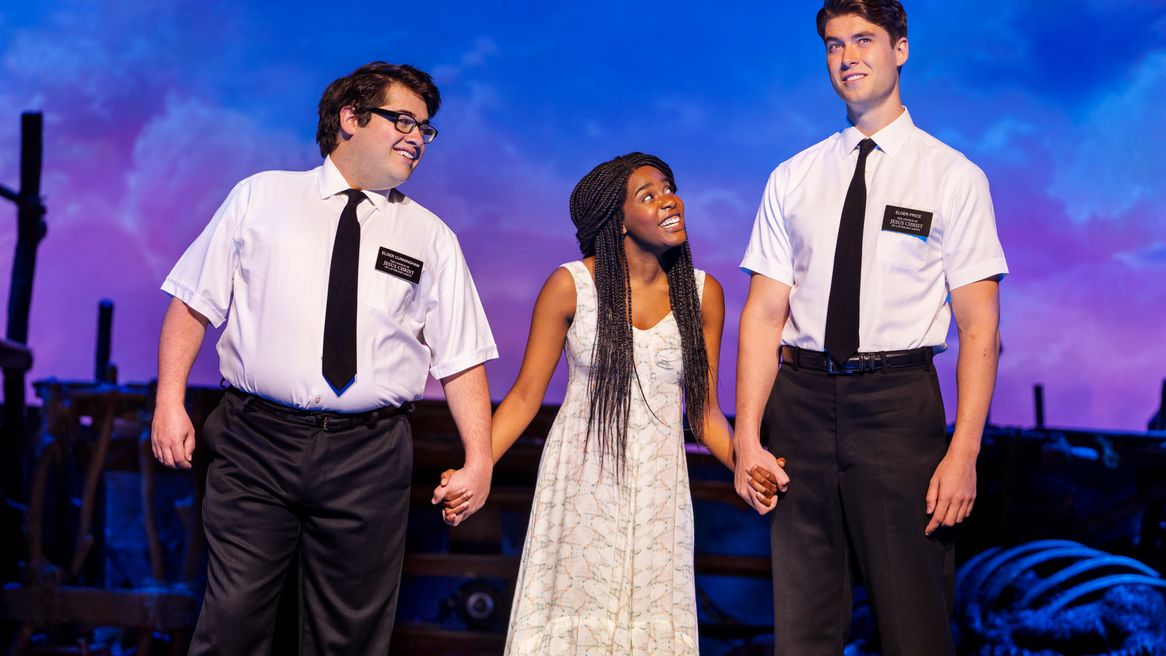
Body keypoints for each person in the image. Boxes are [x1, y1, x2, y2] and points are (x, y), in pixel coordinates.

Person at [150, 61, 498, 655]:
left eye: (426, 129)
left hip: (369, 453)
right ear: (350, 118)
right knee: (233, 620)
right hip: (256, 442)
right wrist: (168, 401)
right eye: (404, 120)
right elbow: (192, 303)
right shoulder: (261, 196)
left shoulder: (430, 237)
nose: (418, 138)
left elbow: (462, 358)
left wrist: (481, 459)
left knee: (351, 635)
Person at [733, 1, 1008, 654]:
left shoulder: (954, 177)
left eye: (863, 40)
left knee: (915, 626)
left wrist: (963, 453)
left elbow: (980, 327)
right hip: (798, 406)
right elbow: (764, 313)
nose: (848, 56)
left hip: (896, 406)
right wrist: (747, 436)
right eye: (833, 45)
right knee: (802, 629)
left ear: (901, 49)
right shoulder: (792, 177)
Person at [440, 153, 786, 654]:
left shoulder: (702, 293)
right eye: (648, 195)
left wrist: (746, 462)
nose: (669, 199)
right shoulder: (569, 287)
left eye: (668, 187)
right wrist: (476, 467)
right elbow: (522, 397)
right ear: (617, 220)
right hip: (580, 488)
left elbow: (704, 413)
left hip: (658, 495)